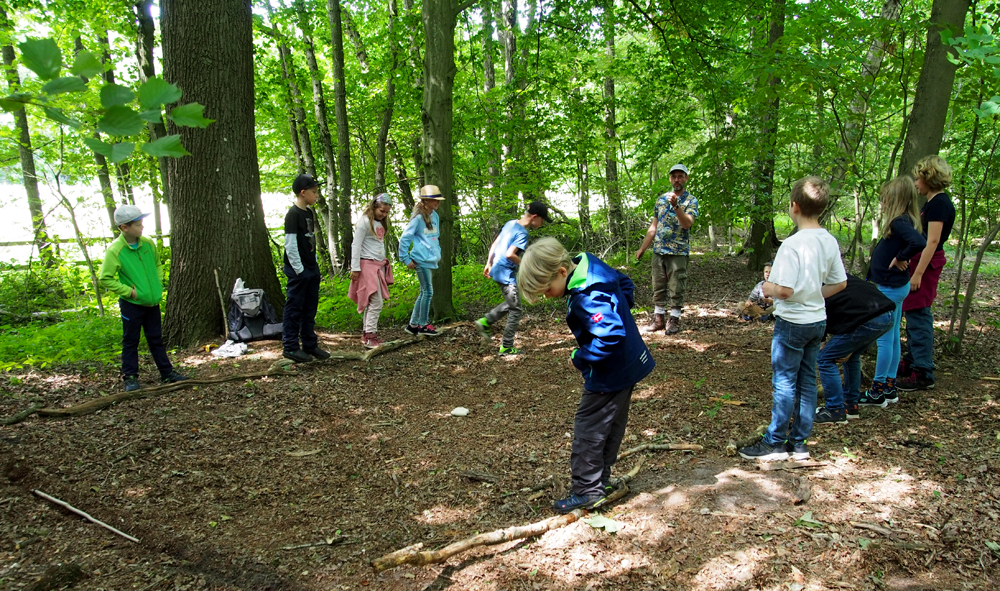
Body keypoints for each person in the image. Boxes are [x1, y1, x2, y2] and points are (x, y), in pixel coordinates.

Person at [518, 237, 655, 513]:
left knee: (588, 429)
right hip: (628, 364)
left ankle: (586, 491)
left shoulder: (586, 295)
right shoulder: (590, 265)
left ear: (561, 273)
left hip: (610, 372)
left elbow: (611, 334)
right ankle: (600, 481)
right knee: (610, 424)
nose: (547, 296)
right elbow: (624, 283)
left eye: (546, 289)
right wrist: (620, 307)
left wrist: (580, 358)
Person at [738, 177, 847, 461]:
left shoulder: (792, 245)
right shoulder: (829, 240)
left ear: (794, 207)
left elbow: (784, 290)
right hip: (817, 322)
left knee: (785, 381)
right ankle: (799, 443)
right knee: (808, 381)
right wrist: (814, 294)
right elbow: (840, 283)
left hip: (792, 325)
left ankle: (774, 442)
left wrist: (767, 287)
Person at [99, 204, 188, 392]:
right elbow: (105, 278)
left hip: (152, 302)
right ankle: (130, 377)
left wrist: (158, 282)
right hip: (132, 304)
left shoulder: (147, 243)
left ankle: (166, 372)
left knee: (156, 338)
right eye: (138, 225)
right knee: (130, 340)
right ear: (124, 227)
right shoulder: (116, 250)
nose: (142, 227)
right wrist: (129, 292)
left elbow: (157, 264)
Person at [857, 177, 926, 407]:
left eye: (885, 199)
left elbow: (919, 242)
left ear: (896, 200)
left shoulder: (899, 222)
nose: (883, 203)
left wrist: (900, 257)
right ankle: (889, 386)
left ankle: (878, 390)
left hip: (891, 288)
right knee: (894, 336)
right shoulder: (903, 221)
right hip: (895, 287)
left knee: (885, 340)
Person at [897, 156, 956, 392]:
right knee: (913, 312)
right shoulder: (932, 203)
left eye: (918, 178)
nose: (916, 183)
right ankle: (912, 362)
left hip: (926, 265)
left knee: (919, 315)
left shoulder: (940, 203)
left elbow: (931, 241)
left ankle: (923, 371)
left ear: (929, 177)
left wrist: (918, 273)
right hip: (920, 262)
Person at [813, 276, 895, 424]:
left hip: (870, 318)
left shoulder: (819, 287)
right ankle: (850, 405)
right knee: (850, 357)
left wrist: (822, 342)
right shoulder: (836, 278)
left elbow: (820, 316)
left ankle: (835, 410)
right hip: (886, 316)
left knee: (824, 359)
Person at [475, 201, 551, 355]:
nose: (542, 223)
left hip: (496, 269)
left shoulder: (511, 224)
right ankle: (507, 346)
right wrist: (526, 265)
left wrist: (489, 262)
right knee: (516, 309)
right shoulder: (523, 233)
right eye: (542, 220)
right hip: (505, 273)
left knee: (511, 303)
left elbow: (495, 243)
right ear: (535, 217)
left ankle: (485, 321)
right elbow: (510, 254)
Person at [635, 164, 699, 334]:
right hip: (659, 251)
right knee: (658, 285)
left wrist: (677, 206)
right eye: (674, 176)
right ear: (670, 179)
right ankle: (659, 319)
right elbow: (654, 226)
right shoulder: (661, 199)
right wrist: (642, 248)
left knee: (677, 285)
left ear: (685, 178)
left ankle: (674, 319)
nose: (677, 179)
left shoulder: (691, 200)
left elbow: (687, 224)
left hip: (678, 251)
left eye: (680, 176)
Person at [282, 174, 331, 363]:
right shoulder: (293, 214)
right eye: (314, 192)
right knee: (294, 308)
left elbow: (310, 241)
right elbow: (291, 244)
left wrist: (314, 265)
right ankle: (291, 347)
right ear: (303, 193)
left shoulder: (309, 212)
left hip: (311, 268)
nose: (316, 196)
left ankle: (310, 344)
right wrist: (299, 270)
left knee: (310, 307)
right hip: (298, 270)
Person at [348, 193, 395, 349]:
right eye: (382, 211)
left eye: (387, 212)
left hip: (377, 266)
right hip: (366, 266)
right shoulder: (364, 222)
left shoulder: (380, 223)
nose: (384, 214)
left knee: (373, 301)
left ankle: (366, 334)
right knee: (376, 302)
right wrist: (355, 268)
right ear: (374, 206)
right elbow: (356, 245)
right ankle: (370, 336)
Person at [399, 185, 444, 336]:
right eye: (434, 200)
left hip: (430, 259)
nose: (437, 202)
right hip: (420, 260)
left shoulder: (435, 216)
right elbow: (405, 238)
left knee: (424, 292)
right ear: (425, 201)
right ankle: (423, 324)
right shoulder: (418, 219)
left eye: (438, 200)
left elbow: (434, 238)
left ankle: (413, 325)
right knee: (428, 292)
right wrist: (405, 258)